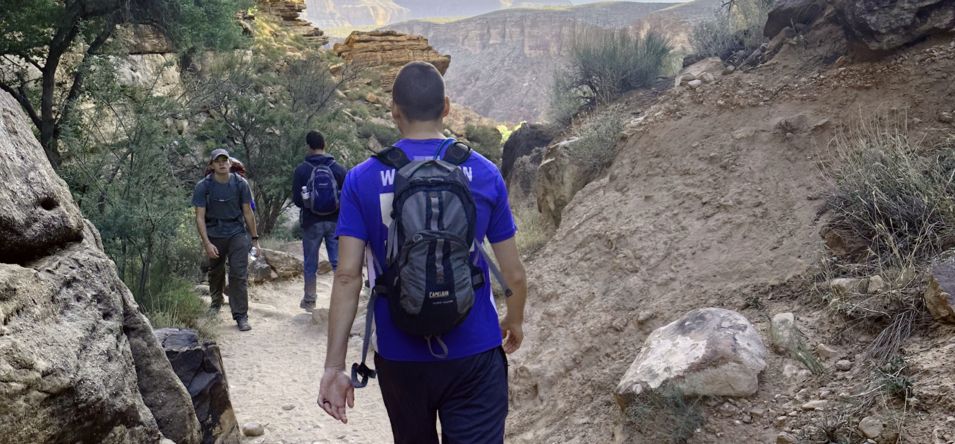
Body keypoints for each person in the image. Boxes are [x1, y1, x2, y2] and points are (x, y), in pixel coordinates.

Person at [318, 61, 528, 444]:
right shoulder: (482, 173)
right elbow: (513, 273)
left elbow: (347, 276)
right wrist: (514, 321)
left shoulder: (361, 179)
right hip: (475, 350)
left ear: (393, 109)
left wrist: (334, 366)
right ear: (446, 107)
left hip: (401, 354)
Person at [192, 148, 260, 331]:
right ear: (212, 165)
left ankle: (241, 315)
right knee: (216, 271)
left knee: (238, 274)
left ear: (230, 163)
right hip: (214, 233)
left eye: (225, 160)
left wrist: (254, 239)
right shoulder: (203, 187)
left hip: (237, 233)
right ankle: (216, 302)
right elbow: (199, 217)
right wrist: (206, 243)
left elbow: (248, 212)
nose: (222, 163)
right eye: (218, 161)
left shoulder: (241, 184)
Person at [291, 130, 347, 311]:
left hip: (311, 223)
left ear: (308, 146)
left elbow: (298, 201)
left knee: (310, 263)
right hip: (335, 222)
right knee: (338, 262)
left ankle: (309, 301)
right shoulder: (338, 169)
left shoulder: (301, 170)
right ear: (325, 144)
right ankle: (342, 299)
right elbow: (347, 198)